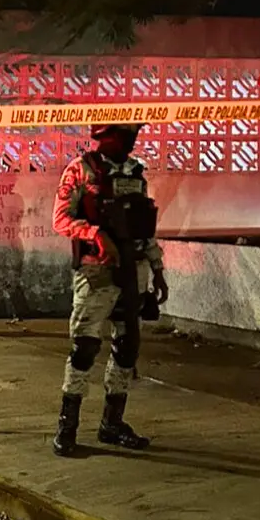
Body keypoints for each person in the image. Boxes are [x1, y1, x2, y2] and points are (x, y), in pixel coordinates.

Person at [49, 124, 169, 457]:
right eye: (123, 134)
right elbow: (60, 219)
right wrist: (95, 234)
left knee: (127, 348)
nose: (130, 140)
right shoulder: (81, 170)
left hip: (134, 271)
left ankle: (112, 424)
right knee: (85, 348)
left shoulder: (135, 172)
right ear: (103, 135)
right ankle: (67, 429)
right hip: (97, 273)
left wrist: (158, 269)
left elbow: (144, 227)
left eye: (132, 134)